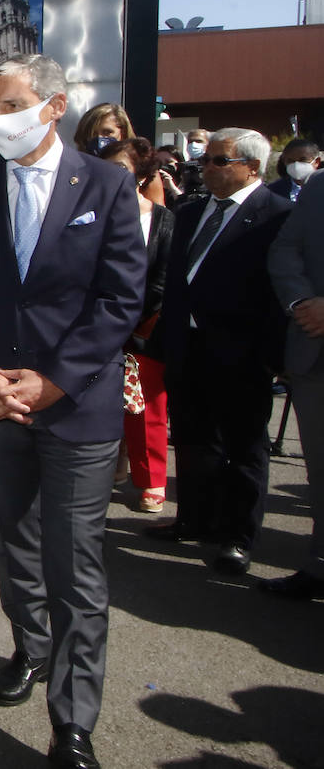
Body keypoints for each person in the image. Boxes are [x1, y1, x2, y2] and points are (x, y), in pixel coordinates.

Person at [0, 53, 145, 769]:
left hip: (75, 406)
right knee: (11, 540)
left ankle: (74, 721)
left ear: (55, 107)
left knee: (75, 560)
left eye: (13, 104)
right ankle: (31, 646)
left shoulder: (110, 185)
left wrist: (53, 380)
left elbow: (120, 299)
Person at [148, 128, 292, 577]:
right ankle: (193, 517)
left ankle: (237, 536)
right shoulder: (189, 211)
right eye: (206, 160)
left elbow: (277, 292)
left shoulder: (277, 216)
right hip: (186, 346)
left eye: (218, 161)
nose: (205, 168)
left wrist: (271, 356)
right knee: (193, 440)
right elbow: (176, 278)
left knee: (244, 449)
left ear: (252, 167)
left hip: (241, 352)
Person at [100, 138, 175, 513]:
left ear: (142, 177)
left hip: (143, 329)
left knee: (147, 410)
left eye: (120, 169)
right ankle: (103, 470)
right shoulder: (89, 212)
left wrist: (130, 320)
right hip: (96, 328)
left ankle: (151, 482)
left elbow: (162, 280)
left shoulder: (161, 219)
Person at [265, 172, 324, 600]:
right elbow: (286, 250)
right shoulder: (320, 186)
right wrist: (302, 302)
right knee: (319, 470)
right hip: (312, 354)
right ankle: (319, 564)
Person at [267, 139, 320, 203]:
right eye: (290, 161)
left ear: (316, 162)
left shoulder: (321, 186)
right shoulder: (273, 191)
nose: (296, 165)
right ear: (284, 161)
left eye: (302, 160)